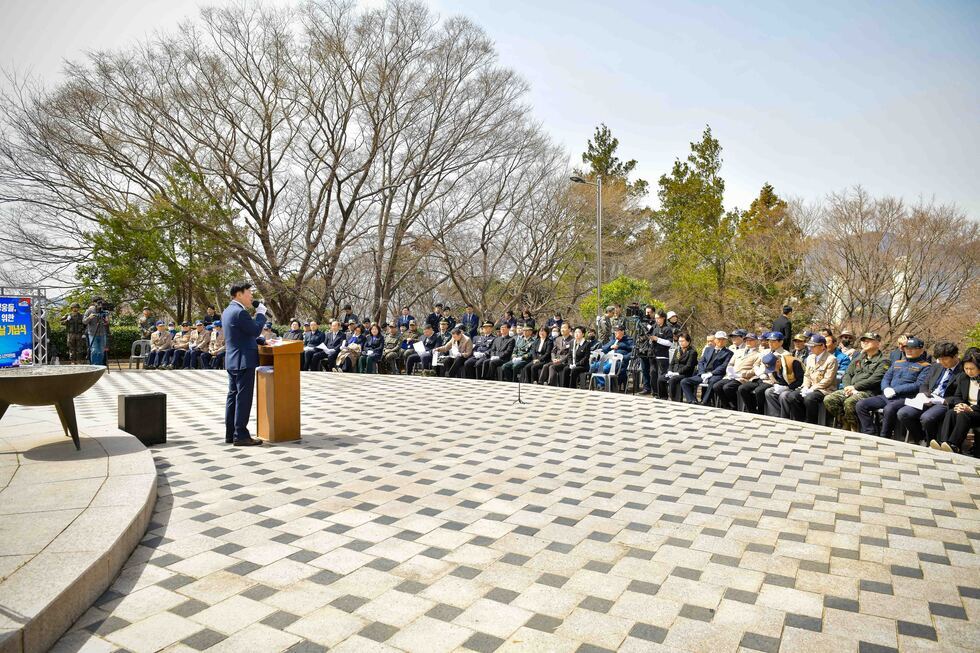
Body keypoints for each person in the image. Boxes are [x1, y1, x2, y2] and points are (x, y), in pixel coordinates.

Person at [856, 337, 932, 438]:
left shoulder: (925, 366)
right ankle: (870, 432)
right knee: (861, 404)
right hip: (887, 396)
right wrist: (886, 388)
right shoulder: (897, 363)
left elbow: (918, 384)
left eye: (913, 348)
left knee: (889, 409)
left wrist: (895, 390)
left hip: (906, 398)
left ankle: (885, 436)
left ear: (921, 350)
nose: (909, 350)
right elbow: (886, 378)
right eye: (907, 347)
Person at [222, 282, 266, 446]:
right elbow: (255, 329)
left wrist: (256, 340)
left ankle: (230, 433)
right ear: (239, 294)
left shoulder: (228, 311)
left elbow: (241, 334)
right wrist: (260, 314)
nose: (251, 296)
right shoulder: (240, 312)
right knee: (243, 398)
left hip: (233, 359)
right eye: (249, 293)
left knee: (233, 397)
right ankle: (240, 435)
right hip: (243, 360)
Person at [896, 342, 961, 445]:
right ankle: (921, 438)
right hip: (928, 398)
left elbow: (961, 395)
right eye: (940, 359)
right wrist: (923, 394)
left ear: (955, 356)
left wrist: (943, 400)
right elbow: (925, 383)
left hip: (944, 401)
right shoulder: (936, 366)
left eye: (945, 359)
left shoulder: (963, 370)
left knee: (927, 418)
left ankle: (932, 441)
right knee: (903, 413)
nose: (942, 362)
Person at [823, 332, 889, 431]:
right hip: (850, 389)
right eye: (863, 341)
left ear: (878, 343)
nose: (865, 343)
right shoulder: (859, 358)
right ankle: (845, 421)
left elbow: (875, 379)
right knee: (829, 399)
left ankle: (854, 426)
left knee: (850, 402)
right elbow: (847, 374)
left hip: (868, 392)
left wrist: (855, 387)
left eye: (869, 341)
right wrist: (847, 387)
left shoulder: (884, 361)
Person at [769, 334, 838, 423]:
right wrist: (805, 386)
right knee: (792, 396)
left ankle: (811, 422)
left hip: (824, 389)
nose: (811, 348)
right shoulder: (810, 357)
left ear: (822, 346)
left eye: (813, 346)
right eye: (810, 346)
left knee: (809, 398)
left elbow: (828, 380)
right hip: (809, 387)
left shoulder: (831, 359)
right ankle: (799, 420)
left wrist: (812, 388)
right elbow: (807, 375)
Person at [737, 333, 801, 414]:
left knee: (759, 391)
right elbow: (756, 364)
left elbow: (783, 371)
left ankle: (761, 412)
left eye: (773, 341)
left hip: (772, 380)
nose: (770, 343)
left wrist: (768, 375)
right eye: (769, 341)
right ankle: (752, 411)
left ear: (781, 342)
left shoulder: (785, 354)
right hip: (760, 377)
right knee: (742, 388)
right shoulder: (765, 352)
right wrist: (760, 373)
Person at [933, 350, 980, 453]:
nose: (969, 371)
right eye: (966, 368)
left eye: (972, 368)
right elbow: (957, 396)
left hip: (977, 411)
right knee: (951, 412)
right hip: (966, 408)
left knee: (963, 415)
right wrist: (960, 404)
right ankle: (943, 442)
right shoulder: (963, 377)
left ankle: (954, 445)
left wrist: (970, 408)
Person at [681, 332, 733, 404]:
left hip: (715, 375)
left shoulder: (729, 353)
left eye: (723, 339)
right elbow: (701, 362)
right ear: (715, 340)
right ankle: (692, 400)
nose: (721, 341)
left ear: (726, 341)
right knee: (684, 381)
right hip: (704, 374)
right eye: (719, 339)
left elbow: (724, 366)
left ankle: (705, 402)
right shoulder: (708, 349)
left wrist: (711, 373)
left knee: (712, 382)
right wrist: (702, 373)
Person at [714, 332, 762, 410]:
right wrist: (730, 371)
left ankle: (735, 406)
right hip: (731, 375)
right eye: (746, 340)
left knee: (728, 387)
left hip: (743, 377)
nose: (748, 342)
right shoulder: (739, 351)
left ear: (756, 341)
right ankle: (727, 406)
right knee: (717, 386)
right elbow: (730, 363)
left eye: (751, 340)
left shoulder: (759, 354)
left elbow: (754, 370)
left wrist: (741, 374)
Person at [590, 324, 633, 388]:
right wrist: (610, 347)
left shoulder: (629, 341)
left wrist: (623, 357)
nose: (615, 332)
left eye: (617, 331)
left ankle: (604, 385)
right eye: (614, 330)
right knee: (593, 367)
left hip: (618, 362)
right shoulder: (613, 340)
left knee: (603, 369)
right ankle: (602, 384)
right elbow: (604, 348)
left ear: (622, 331)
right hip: (607, 361)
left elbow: (633, 352)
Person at [661, 333, 697, 401]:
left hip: (684, 373)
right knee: (661, 378)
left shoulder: (692, 352)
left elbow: (689, 366)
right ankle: (663, 397)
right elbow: (672, 363)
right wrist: (669, 371)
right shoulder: (677, 350)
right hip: (673, 372)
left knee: (673, 379)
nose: (681, 343)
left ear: (688, 341)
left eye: (683, 341)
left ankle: (674, 399)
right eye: (679, 341)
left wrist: (677, 373)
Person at [82, 298, 110, 366]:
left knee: (101, 351)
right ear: (95, 304)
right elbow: (84, 321)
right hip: (92, 333)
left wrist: (106, 321)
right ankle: (94, 365)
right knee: (94, 350)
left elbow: (107, 322)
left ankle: (100, 365)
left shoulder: (104, 311)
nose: (100, 306)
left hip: (102, 333)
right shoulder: (89, 310)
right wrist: (89, 317)